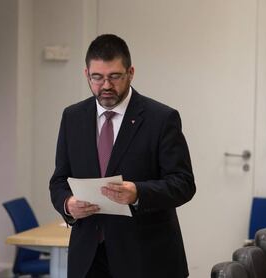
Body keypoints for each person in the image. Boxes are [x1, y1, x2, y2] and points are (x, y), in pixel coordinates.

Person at [49, 34, 196, 278]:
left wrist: (138, 193)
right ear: (87, 74)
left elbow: (183, 183)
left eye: (114, 76)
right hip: (88, 257)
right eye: (97, 77)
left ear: (131, 72)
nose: (105, 85)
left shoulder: (160, 118)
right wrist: (67, 204)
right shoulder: (72, 117)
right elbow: (59, 181)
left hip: (146, 258)